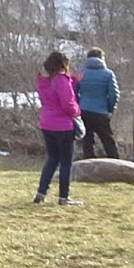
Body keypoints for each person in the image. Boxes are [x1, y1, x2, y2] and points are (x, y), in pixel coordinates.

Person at [35, 50, 83, 206]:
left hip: (47, 123)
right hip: (63, 126)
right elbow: (67, 102)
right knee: (66, 162)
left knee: (52, 159)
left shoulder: (43, 81)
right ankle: (64, 197)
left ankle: (41, 193)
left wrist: (73, 81)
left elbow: (54, 93)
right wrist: (77, 112)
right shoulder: (62, 79)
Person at [75, 47, 121, 159]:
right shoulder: (108, 74)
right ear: (102, 58)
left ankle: (89, 162)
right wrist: (110, 108)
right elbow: (114, 94)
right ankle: (115, 162)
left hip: (84, 110)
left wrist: (78, 105)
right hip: (101, 111)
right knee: (108, 140)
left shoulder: (80, 73)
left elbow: (73, 91)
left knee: (87, 141)